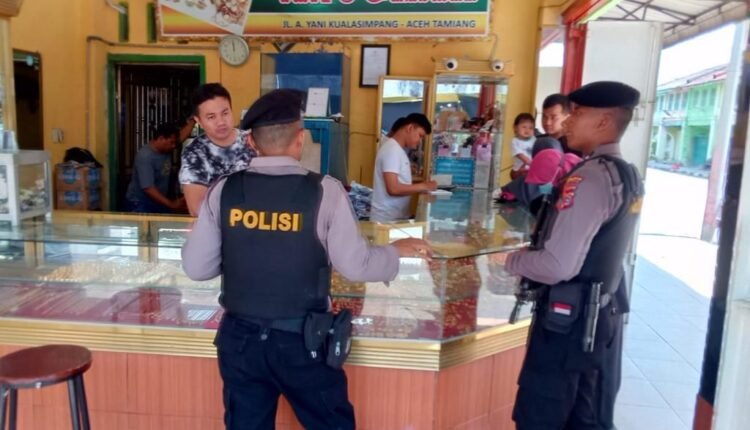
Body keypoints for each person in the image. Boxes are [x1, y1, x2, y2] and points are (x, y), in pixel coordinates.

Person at [181, 89, 433, 430]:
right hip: (303, 340)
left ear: (251, 142)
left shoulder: (224, 190)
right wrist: (395, 251)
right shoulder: (325, 191)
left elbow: (197, 268)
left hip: (240, 341)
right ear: (300, 139)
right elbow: (356, 265)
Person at [501, 81, 645, 430]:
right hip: (598, 319)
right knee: (585, 416)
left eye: (577, 114)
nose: (567, 121)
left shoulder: (590, 179)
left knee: (542, 417)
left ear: (604, 121)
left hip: (567, 325)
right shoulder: (626, 173)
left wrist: (510, 261)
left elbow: (556, 265)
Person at [179, 83, 255, 216]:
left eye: (225, 113)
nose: (221, 122)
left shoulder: (253, 141)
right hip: (219, 226)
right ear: (199, 121)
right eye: (211, 117)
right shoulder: (194, 154)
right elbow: (196, 209)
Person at [371, 113, 437, 222]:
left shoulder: (397, 149)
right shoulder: (392, 150)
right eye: (420, 135)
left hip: (395, 217)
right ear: (410, 128)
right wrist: (424, 186)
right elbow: (393, 188)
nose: (420, 141)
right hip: (387, 220)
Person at [125, 123, 186, 213]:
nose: (174, 146)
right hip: (140, 203)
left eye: (174, 143)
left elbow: (182, 136)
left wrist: (193, 120)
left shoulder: (166, 147)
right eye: (171, 142)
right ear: (161, 138)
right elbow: (148, 188)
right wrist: (171, 204)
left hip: (157, 201)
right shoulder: (145, 157)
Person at [510, 113, 536, 179]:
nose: (527, 130)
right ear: (515, 128)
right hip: (519, 169)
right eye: (524, 127)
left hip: (532, 168)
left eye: (531, 128)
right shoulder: (515, 141)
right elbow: (519, 154)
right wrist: (529, 162)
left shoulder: (533, 139)